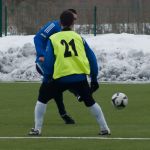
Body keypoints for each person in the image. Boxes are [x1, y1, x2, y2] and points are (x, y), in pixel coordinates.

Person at [29, 10, 110, 136]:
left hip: (60, 77)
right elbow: (92, 59)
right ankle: (104, 128)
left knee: (42, 98)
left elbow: (49, 63)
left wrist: (48, 78)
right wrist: (93, 78)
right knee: (90, 102)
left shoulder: (54, 38)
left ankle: (37, 129)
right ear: (73, 23)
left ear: (60, 22)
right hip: (79, 78)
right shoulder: (79, 38)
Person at [33, 9, 77, 126]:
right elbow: (38, 38)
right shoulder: (53, 26)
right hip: (44, 63)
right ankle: (76, 93)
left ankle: (64, 114)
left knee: (54, 86)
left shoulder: (68, 32)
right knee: (57, 82)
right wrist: (41, 54)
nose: (74, 22)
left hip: (56, 65)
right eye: (74, 19)